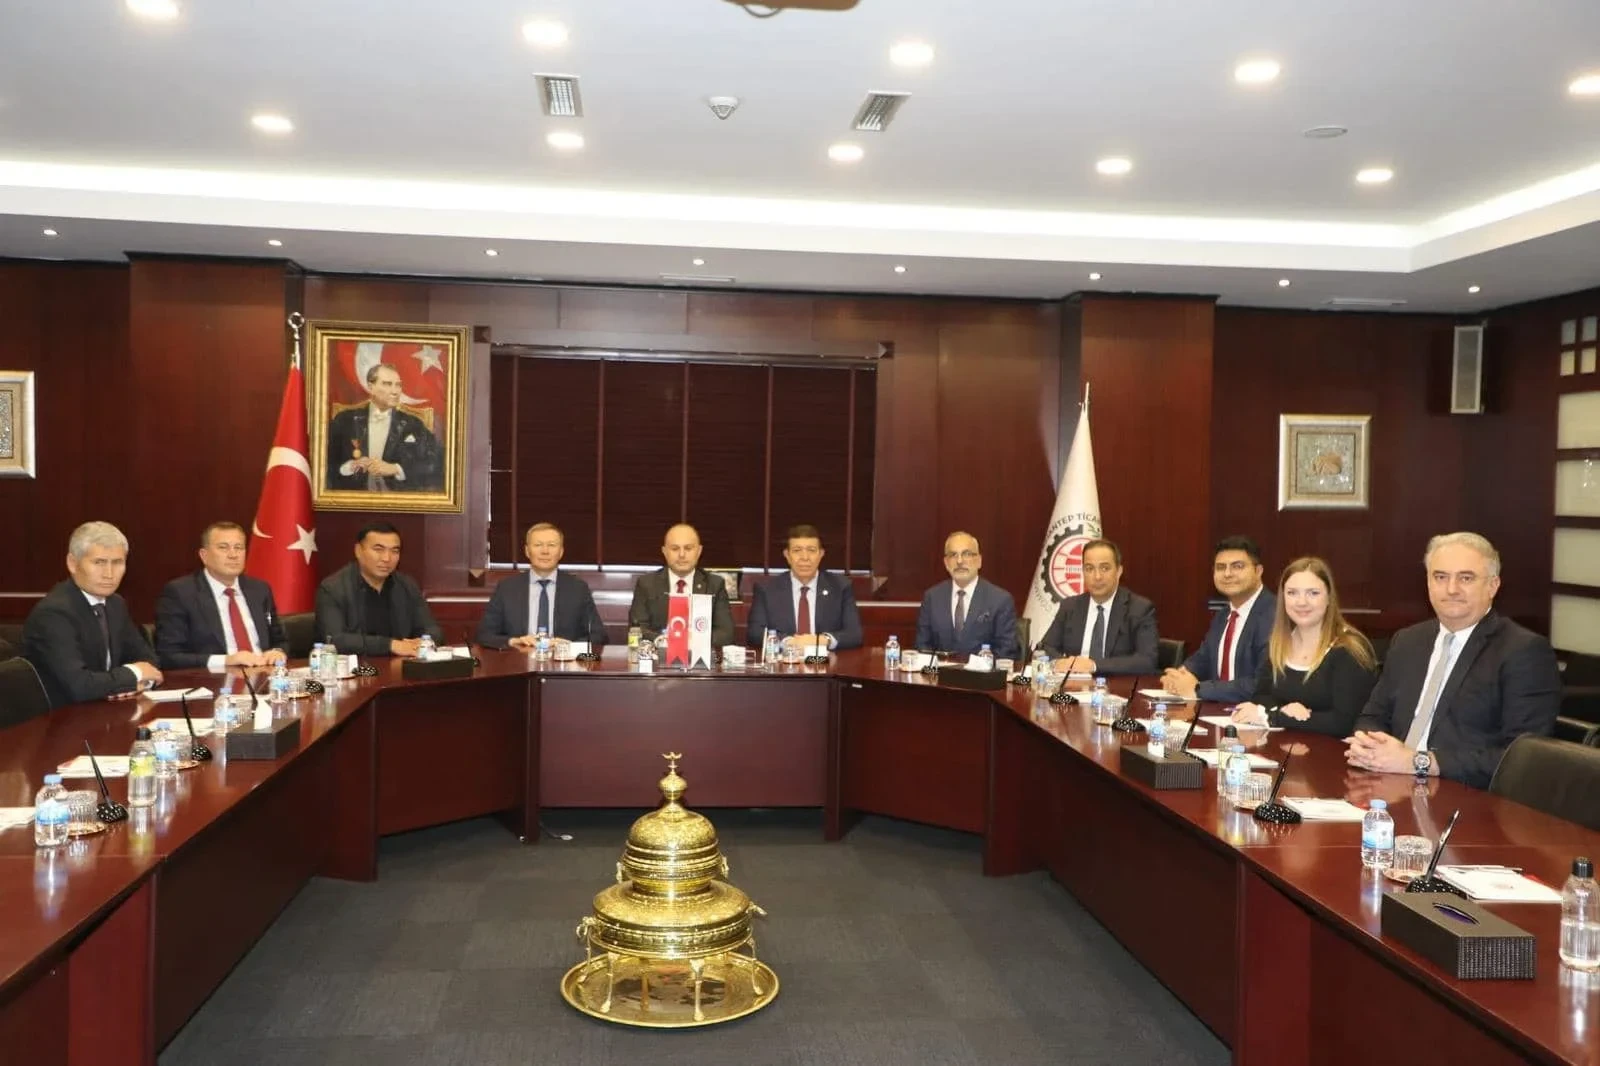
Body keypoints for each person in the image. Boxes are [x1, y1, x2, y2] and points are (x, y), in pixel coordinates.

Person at [1349, 532, 1561, 789]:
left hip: (1468, 795)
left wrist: (1420, 763)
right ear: (1428, 583)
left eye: (1466, 578)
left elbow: (1524, 755)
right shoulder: (1408, 641)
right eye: (1440, 577)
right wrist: (1370, 747)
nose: (1451, 589)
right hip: (1390, 783)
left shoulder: (1523, 651)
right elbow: (1373, 716)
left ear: (1493, 586)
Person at [1230, 557, 1378, 736]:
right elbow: (1261, 696)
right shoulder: (1279, 644)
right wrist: (1285, 709)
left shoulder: (1349, 649)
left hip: (1331, 750)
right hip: (1284, 745)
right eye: (1292, 593)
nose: (1301, 602)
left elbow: (1343, 723)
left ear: (1329, 598)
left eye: (1313, 593)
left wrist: (1274, 717)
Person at [23, 521, 162, 707]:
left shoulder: (115, 604)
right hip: (59, 717)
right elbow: (79, 686)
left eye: (117, 562)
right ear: (72, 563)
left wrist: (134, 684)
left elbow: (147, 660)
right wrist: (133, 675)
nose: (109, 574)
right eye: (99, 562)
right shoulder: (54, 613)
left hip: (105, 710)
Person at [154, 521, 289, 671]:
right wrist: (227, 660)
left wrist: (277, 652)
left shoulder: (259, 589)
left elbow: (279, 640)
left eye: (239, 548)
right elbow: (168, 656)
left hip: (264, 674)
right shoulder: (181, 593)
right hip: (215, 679)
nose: (233, 555)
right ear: (204, 556)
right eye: (223, 548)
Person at [1162, 535, 1274, 702]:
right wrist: (1179, 677)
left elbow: (1263, 684)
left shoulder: (1275, 616)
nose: (1227, 574)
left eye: (1237, 566)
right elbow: (1203, 659)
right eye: (1221, 567)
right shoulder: (1223, 615)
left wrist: (1198, 689)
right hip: (1219, 710)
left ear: (1258, 571)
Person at [314, 521, 443, 657]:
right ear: (358, 551)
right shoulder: (333, 588)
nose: (387, 558)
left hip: (399, 666)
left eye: (394, 551)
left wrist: (424, 642)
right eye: (378, 549)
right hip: (355, 667)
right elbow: (334, 640)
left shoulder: (407, 586)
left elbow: (433, 630)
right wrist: (391, 645)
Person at [476, 522, 606, 650]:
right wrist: (514, 641)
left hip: (562, 660)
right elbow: (484, 635)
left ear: (561, 552)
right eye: (538, 545)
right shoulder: (507, 588)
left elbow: (598, 635)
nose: (545, 551)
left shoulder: (578, 588)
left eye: (551, 545)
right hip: (519, 659)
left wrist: (568, 646)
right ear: (527, 551)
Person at [1038, 538, 1157, 675]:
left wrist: (1093, 665)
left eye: (1105, 568)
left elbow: (1147, 661)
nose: (1097, 576)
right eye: (1089, 569)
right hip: (1073, 684)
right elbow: (1045, 648)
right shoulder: (1070, 607)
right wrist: (1059, 662)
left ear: (1119, 571)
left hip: (1116, 686)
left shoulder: (1139, 609)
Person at [325, 363, 442, 493]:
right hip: (353, 499)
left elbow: (436, 463)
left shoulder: (413, 424)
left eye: (398, 385)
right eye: (387, 384)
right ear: (371, 387)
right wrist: (349, 467)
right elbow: (324, 463)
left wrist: (396, 469)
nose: (395, 391)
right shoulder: (345, 420)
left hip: (399, 500)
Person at [745, 525, 863, 651]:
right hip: (785, 659)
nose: (805, 558)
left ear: (821, 554)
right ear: (787, 555)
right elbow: (755, 633)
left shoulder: (840, 587)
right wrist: (789, 642)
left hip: (825, 660)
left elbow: (854, 634)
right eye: (797, 550)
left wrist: (822, 641)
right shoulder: (766, 589)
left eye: (811, 550)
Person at [914, 532, 1020, 659]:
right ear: (946, 563)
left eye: (967, 554)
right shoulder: (932, 597)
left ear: (979, 561)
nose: (959, 561)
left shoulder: (1000, 600)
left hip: (983, 671)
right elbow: (922, 646)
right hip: (939, 671)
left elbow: (1006, 652)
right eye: (953, 555)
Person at [627, 523, 734, 648]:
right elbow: (637, 629)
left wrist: (692, 641)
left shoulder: (714, 584)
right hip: (660, 655)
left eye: (688, 548)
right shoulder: (646, 584)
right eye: (675, 549)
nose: (682, 554)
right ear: (664, 552)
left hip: (700, 657)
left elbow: (726, 634)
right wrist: (666, 641)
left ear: (699, 551)